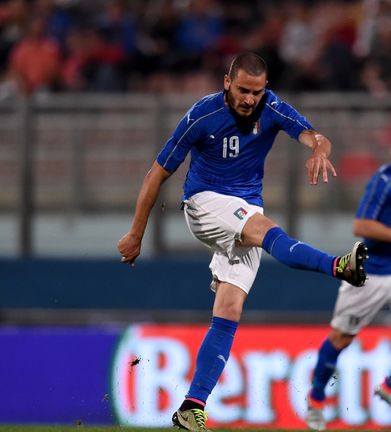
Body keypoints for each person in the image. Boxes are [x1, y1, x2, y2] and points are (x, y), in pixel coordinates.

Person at [116, 52, 368, 432]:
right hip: (204, 203)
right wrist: (136, 233)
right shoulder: (203, 115)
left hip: (246, 206)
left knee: (230, 310)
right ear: (226, 83)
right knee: (267, 230)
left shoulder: (272, 106)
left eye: (258, 91)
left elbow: (315, 136)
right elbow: (156, 175)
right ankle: (338, 266)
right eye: (244, 90)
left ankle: (191, 406)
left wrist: (319, 149)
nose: (251, 99)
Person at [304, 122, 391, 430]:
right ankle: (315, 399)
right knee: (341, 338)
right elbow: (361, 227)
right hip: (369, 274)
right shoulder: (384, 181)